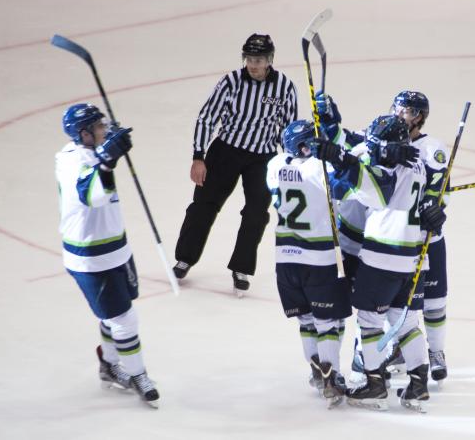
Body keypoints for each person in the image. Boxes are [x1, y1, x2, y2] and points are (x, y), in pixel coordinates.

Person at [318, 111, 446, 412]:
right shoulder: (416, 163)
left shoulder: (389, 172)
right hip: (413, 258)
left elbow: (373, 191)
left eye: (377, 145)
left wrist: (342, 160)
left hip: (382, 258)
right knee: (407, 321)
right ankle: (418, 384)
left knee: (369, 319)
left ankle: (374, 384)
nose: (372, 148)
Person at [173, 33, 298, 296]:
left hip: (262, 158)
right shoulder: (230, 81)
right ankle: (184, 258)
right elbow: (208, 117)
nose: (253, 64)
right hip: (225, 151)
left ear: (270, 60)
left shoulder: (285, 87)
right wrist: (199, 156)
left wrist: (288, 161)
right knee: (203, 207)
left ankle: (241, 268)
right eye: (250, 58)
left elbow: (287, 129)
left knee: (256, 213)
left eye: (259, 59)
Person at [56, 103, 159, 408]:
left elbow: (102, 166)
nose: (104, 130)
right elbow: (94, 196)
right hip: (90, 257)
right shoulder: (71, 161)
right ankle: (137, 374)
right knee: (125, 320)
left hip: (116, 248)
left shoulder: (92, 150)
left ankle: (109, 364)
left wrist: (107, 151)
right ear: (83, 134)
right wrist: (107, 159)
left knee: (115, 312)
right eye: (98, 127)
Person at [266, 120, 353, 408]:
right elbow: (345, 185)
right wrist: (331, 153)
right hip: (320, 258)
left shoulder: (275, 165)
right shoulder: (319, 169)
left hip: (286, 257)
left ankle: (318, 371)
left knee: (305, 319)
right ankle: (331, 377)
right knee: (328, 322)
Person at [390, 91, 450, 384]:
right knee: (402, 302)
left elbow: (440, 185)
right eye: (398, 109)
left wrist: (433, 205)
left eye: (408, 111)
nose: (401, 115)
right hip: (399, 239)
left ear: (420, 117)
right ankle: (402, 349)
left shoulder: (432, 147)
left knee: (434, 302)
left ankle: (436, 351)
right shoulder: (387, 139)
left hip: (428, 239)